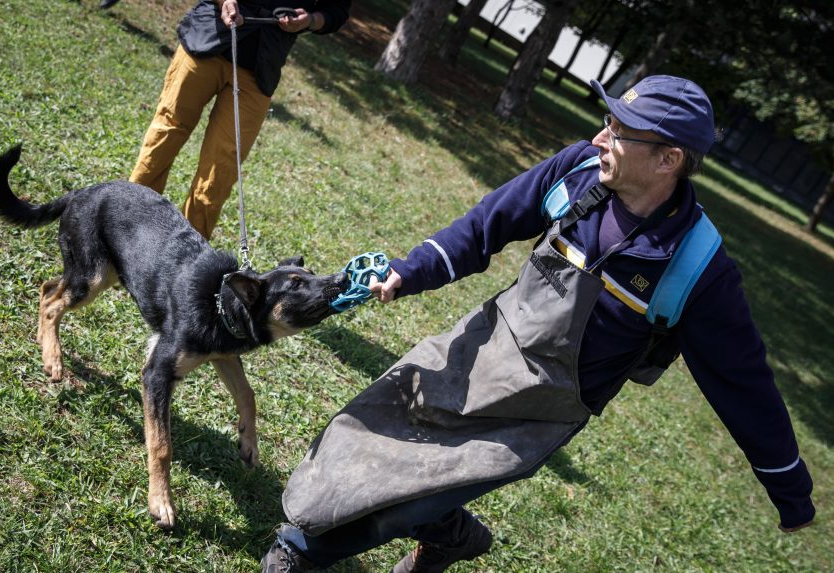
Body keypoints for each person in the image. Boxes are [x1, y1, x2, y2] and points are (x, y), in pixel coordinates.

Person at [260, 75, 816, 572]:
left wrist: (791, 491)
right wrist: (408, 272)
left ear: (668, 160)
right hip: (486, 344)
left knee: (413, 495)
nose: (601, 138)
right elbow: (486, 226)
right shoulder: (577, 171)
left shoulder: (698, 268)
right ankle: (453, 537)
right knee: (373, 419)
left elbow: (743, 384)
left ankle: (300, 551)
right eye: (608, 121)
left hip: (544, 408)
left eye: (620, 133)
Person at [128, 0, 350, 239]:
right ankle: (125, 226)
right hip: (207, 41)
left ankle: (186, 258)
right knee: (166, 134)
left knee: (220, 170)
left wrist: (310, 20)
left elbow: (335, 12)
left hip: (260, 67)